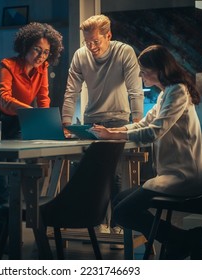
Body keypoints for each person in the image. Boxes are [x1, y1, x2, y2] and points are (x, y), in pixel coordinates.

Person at [90, 45, 202, 259]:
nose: (140, 73)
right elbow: (143, 123)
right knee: (120, 203)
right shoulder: (167, 93)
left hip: (185, 176)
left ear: (159, 69)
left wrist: (114, 136)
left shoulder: (178, 92)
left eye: (144, 69)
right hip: (173, 175)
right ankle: (179, 240)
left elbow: (155, 131)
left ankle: (182, 240)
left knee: (122, 211)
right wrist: (112, 131)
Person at [61, 14, 144, 239]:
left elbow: (135, 89)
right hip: (91, 120)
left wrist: (137, 122)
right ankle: (97, 220)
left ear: (109, 36)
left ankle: (117, 222)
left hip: (119, 119)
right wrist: (66, 122)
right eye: (87, 42)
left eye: (96, 41)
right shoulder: (81, 55)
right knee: (94, 174)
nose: (91, 46)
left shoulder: (124, 52)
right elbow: (71, 91)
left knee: (114, 175)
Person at [0, 22, 64, 243]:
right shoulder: (7, 66)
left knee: (17, 171)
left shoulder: (42, 69)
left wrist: (45, 120)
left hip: (19, 118)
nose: (41, 56)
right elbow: (4, 98)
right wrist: (33, 112)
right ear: (25, 46)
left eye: (46, 52)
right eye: (37, 49)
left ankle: (13, 223)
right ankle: (1, 230)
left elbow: (43, 97)